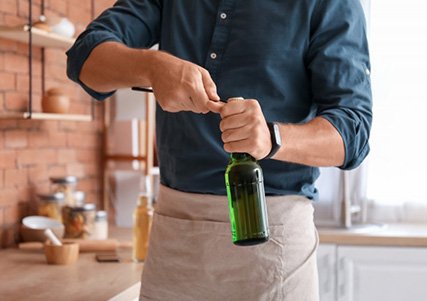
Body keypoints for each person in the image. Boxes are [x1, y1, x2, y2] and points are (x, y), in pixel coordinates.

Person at [67, 0, 372, 300]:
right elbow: (84, 58)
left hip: (272, 242)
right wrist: (152, 66)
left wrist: (271, 136)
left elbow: (352, 132)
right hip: (174, 236)